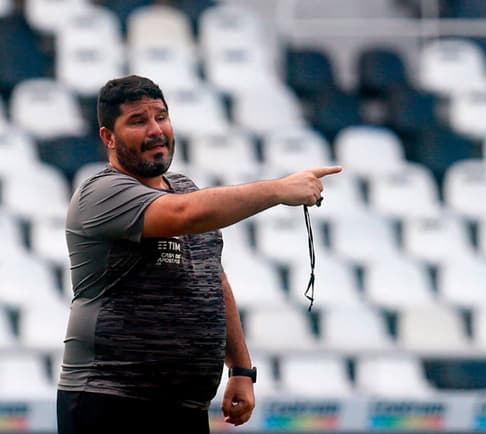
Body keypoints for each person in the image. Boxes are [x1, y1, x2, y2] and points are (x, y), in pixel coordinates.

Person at [56, 75, 342, 434]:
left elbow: (212, 279)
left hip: (183, 407)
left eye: (161, 116)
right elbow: (184, 215)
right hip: (111, 402)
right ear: (108, 138)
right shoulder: (101, 193)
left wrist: (240, 368)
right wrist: (279, 189)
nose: (155, 130)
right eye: (138, 121)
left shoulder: (185, 189)